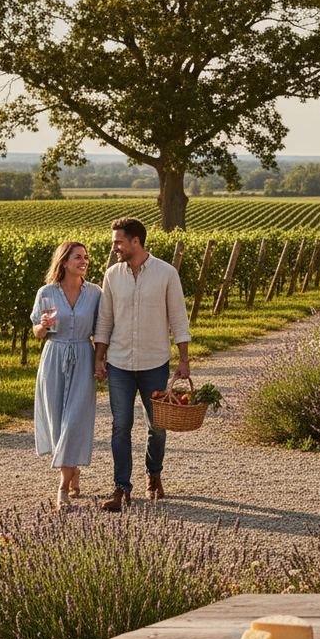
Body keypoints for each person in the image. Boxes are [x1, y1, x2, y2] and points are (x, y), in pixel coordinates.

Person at [94, 218, 191, 511]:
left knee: (157, 426)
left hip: (155, 362)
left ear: (136, 241)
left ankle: (154, 475)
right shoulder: (112, 275)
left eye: (118, 242)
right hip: (120, 364)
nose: (115, 247)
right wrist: (100, 356)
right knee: (120, 426)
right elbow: (105, 319)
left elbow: (178, 317)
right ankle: (121, 488)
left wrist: (184, 358)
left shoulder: (166, 273)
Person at [31, 241, 102, 511]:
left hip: (83, 356)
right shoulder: (46, 292)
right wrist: (43, 325)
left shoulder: (95, 293)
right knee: (57, 421)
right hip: (53, 357)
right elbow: (37, 333)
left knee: (74, 420)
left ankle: (62, 487)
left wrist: (100, 360)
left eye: (85, 257)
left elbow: (101, 330)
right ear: (63, 262)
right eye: (77, 257)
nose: (83, 261)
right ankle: (72, 470)